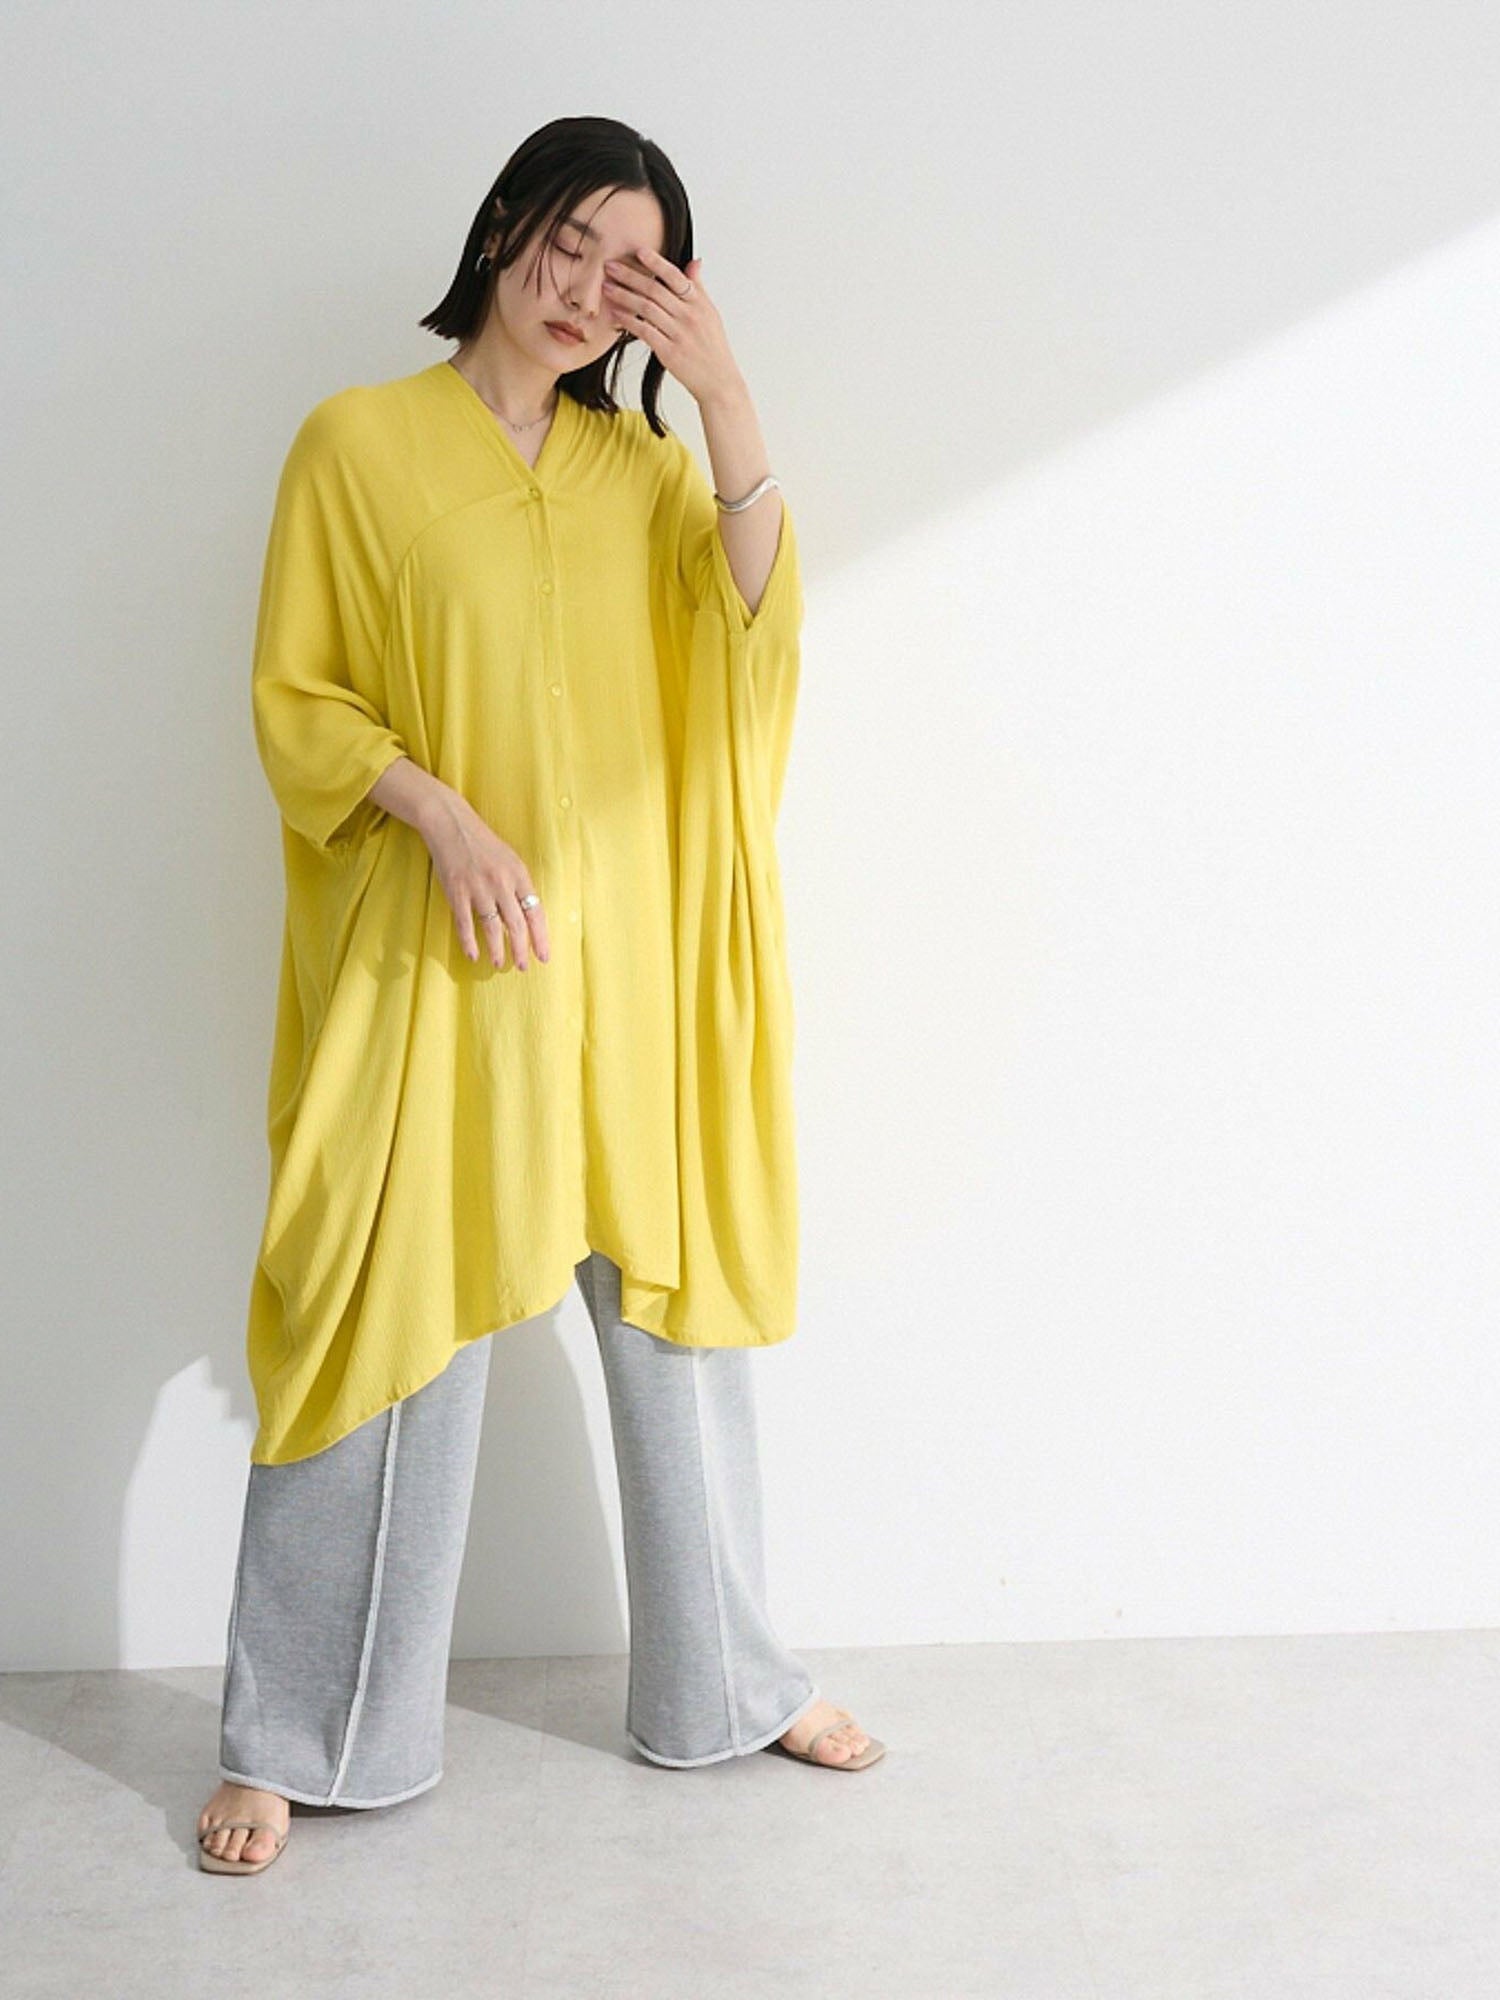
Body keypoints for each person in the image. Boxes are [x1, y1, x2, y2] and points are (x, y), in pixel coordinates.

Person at [197, 117, 884, 1876]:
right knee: (377, 1319)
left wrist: (724, 400)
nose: (587, 290)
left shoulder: (646, 476)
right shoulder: (358, 445)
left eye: (633, 269)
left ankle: (730, 1684)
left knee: (676, 1331)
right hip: (442, 965)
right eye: (572, 242)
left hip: (628, 967)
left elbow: (747, 663)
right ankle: (297, 1735)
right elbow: (299, 697)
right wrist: (436, 812)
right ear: (504, 225)